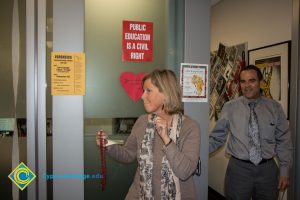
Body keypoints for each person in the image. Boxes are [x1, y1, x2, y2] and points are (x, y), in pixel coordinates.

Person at [96, 69, 201, 199]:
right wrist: (108, 144)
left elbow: (185, 171)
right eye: (143, 91)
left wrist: (167, 140)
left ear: (166, 94)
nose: (142, 96)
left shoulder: (189, 127)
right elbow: (128, 154)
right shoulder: (142, 121)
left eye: (148, 91)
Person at [209, 65, 293, 200]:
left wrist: (284, 171)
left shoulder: (274, 108)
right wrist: (196, 154)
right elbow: (216, 138)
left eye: (252, 80)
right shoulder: (230, 107)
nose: (247, 85)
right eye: (243, 81)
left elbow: (283, 141)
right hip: (238, 171)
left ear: (261, 83)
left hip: (267, 171)